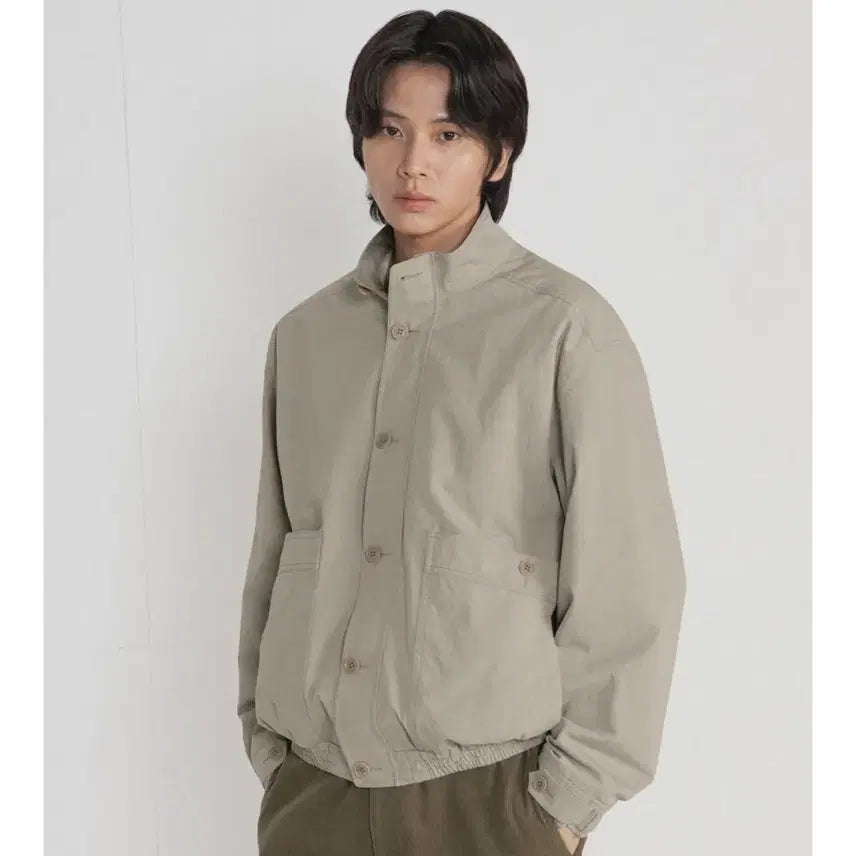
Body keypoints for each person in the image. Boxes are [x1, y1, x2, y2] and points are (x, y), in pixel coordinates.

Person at [237, 9, 686, 855]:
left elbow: (630, 585)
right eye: (390, 130)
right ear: (362, 143)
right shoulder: (304, 339)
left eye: (448, 134)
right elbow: (276, 552)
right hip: (314, 794)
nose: (413, 162)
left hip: (491, 799)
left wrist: (562, 808)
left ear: (499, 153)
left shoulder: (564, 329)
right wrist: (274, 751)